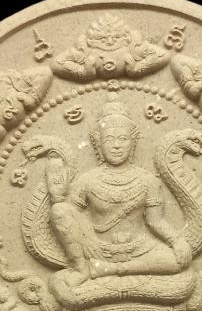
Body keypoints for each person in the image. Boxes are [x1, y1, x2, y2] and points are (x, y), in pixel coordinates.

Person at [47, 98, 192, 284]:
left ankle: (111, 269)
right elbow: (70, 215)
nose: (116, 145)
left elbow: (156, 221)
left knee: (177, 260)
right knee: (59, 210)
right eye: (109, 139)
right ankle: (81, 269)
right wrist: (59, 200)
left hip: (140, 249)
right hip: (100, 249)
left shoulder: (147, 180)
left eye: (123, 139)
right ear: (98, 144)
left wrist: (176, 240)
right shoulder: (87, 180)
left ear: (132, 143)